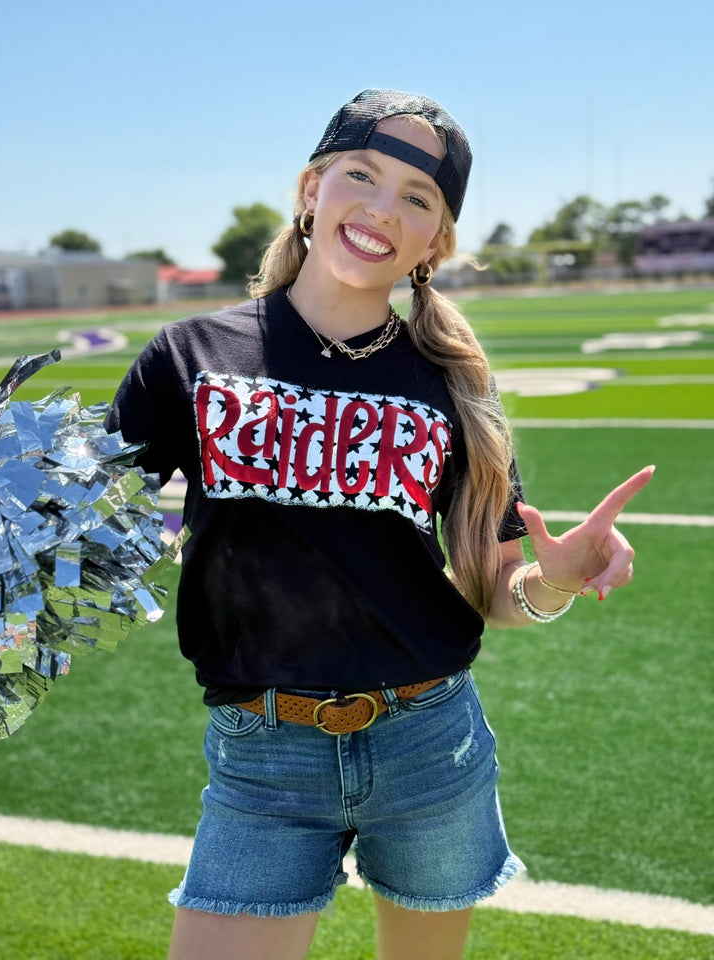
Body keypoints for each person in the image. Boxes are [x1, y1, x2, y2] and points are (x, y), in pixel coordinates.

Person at [107, 89, 653, 960]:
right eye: (361, 175)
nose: (381, 209)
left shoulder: (453, 384)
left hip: (429, 743)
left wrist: (555, 579)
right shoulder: (188, 359)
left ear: (436, 240)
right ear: (311, 189)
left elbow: (496, 591)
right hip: (264, 755)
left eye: (417, 197)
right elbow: (83, 531)